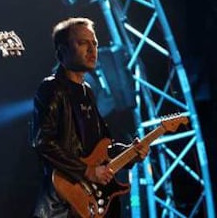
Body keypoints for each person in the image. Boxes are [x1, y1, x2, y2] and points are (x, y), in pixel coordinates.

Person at [30, 17, 148, 218]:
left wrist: (130, 152)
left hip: (91, 205)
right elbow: (42, 141)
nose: (92, 50)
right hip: (63, 205)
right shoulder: (51, 88)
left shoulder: (89, 92)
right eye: (83, 43)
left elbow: (103, 146)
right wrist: (87, 171)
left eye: (94, 43)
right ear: (62, 50)